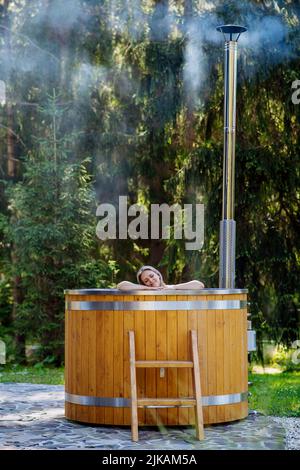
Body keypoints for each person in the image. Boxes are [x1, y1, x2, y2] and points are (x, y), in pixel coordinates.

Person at [117, 265, 205, 290]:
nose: (150, 280)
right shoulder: (144, 291)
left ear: (158, 275)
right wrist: (146, 288)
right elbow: (121, 286)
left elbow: (199, 285)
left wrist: (174, 287)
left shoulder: (170, 288)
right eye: (146, 281)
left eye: (151, 276)